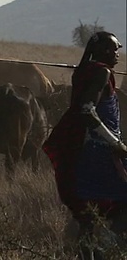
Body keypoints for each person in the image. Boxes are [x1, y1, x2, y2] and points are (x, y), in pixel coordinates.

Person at [42, 31, 127, 257]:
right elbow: (87, 109)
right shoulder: (101, 72)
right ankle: (107, 250)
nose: (118, 54)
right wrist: (114, 142)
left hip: (88, 150)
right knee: (117, 205)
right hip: (100, 152)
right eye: (115, 50)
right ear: (105, 52)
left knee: (89, 216)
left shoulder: (85, 72)